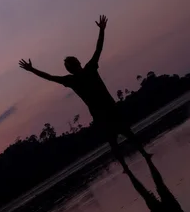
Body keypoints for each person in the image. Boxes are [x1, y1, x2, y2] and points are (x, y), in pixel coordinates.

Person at [19, 15, 149, 167]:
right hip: (106, 111)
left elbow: (49, 77)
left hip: (106, 111)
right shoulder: (83, 73)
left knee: (118, 139)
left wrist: (32, 69)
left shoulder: (79, 75)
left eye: (68, 65)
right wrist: (102, 30)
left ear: (72, 66)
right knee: (122, 136)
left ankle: (135, 162)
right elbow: (98, 49)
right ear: (77, 63)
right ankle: (140, 159)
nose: (69, 68)